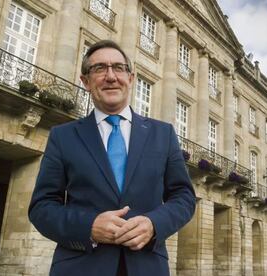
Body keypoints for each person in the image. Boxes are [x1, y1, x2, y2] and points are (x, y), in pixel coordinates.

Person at [28, 40, 196, 276]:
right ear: (85, 81)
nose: (110, 76)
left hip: (147, 266)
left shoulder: (163, 134)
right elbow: (41, 207)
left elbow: (184, 197)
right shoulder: (62, 136)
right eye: (99, 69)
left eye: (118, 68)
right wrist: (88, 226)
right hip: (80, 267)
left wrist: (154, 224)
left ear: (131, 78)